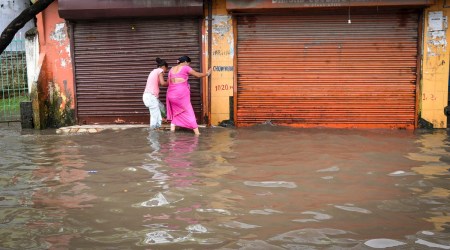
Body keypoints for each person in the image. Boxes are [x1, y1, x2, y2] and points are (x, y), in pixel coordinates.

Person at [166, 56, 211, 135]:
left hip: (171, 94)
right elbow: (197, 75)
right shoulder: (186, 67)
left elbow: (168, 82)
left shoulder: (171, 69)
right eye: (189, 63)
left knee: (176, 112)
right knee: (189, 112)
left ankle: (172, 132)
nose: (189, 65)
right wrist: (207, 73)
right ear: (186, 62)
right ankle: (197, 133)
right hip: (180, 94)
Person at [143, 57, 168, 129]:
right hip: (151, 97)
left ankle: (155, 132)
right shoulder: (160, 70)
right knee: (155, 117)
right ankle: (153, 134)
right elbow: (163, 83)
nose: (165, 72)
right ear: (163, 67)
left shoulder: (153, 71)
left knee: (158, 112)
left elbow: (159, 83)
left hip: (148, 96)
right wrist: (170, 80)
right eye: (166, 70)